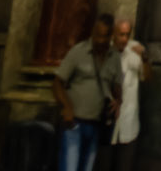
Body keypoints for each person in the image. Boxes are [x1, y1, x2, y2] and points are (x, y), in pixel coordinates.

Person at [53, 13, 122, 171]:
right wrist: (66, 107)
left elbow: (117, 85)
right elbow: (57, 83)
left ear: (111, 36)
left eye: (104, 36)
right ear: (92, 32)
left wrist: (118, 101)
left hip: (97, 124)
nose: (100, 40)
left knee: (87, 167)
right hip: (74, 123)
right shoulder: (78, 52)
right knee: (70, 167)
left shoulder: (114, 57)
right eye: (97, 35)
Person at [107, 19, 150, 168]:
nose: (125, 39)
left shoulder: (135, 49)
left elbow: (147, 78)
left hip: (128, 121)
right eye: (121, 34)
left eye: (127, 34)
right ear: (113, 34)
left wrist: (144, 57)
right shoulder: (106, 50)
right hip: (107, 120)